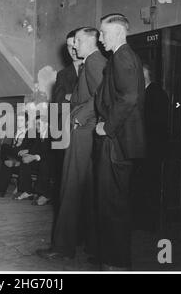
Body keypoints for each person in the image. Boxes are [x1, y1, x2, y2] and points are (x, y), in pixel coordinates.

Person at [38, 27, 107, 260]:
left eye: (77, 41)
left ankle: (62, 247)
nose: (74, 47)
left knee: (69, 189)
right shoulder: (93, 62)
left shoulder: (95, 61)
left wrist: (78, 116)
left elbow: (101, 96)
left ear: (89, 41)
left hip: (82, 133)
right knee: (85, 191)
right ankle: (93, 246)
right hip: (85, 133)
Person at [95, 13, 146, 270]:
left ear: (116, 33)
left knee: (113, 204)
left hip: (117, 142)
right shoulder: (122, 56)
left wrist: (108, 126)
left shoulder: (122, 56)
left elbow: (129, 97)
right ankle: (115, 261)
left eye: (103, 33)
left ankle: (115, 263)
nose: (100, 38)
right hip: (121, 142)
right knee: (114, 202)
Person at [133, 64, 169, 231]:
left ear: (145, 77)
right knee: (145, 185)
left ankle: (149, 223)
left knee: (150, 185)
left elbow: (154, 123)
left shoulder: (155, 93)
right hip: (147, 147)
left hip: (152, 148)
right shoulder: (149, 92)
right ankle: (144, 221)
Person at [51, 29, 83, 215]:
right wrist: (78, 97)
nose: (73, 49)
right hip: (67, 135)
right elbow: (57, 102)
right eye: (69, 46)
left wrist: (71, 97)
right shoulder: (63, 74)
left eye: (75, 45)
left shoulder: (97, 68)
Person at [0, 112, 31, 198]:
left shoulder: (29, 133)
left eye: (21, 120)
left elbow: (29, 149)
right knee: (4, 161)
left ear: (26, 122)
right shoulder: (14, 132)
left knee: (4, 147)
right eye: (18, 120)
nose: (19, 122)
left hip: (21, 156)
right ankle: (0, 191)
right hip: (12, 156)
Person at [17, 114, 52, 206]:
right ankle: (28, 191)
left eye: (39, 124)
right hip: (40, 159)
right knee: (25, 161)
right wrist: (29, 154)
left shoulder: (52, 134)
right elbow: (35, 149)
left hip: (52, 163)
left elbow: (51, 154)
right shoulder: (38, 134)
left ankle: (45, 195)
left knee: (44, 164)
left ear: (47, 124)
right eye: (36, 124)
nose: (37, 127)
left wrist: (34, 157)